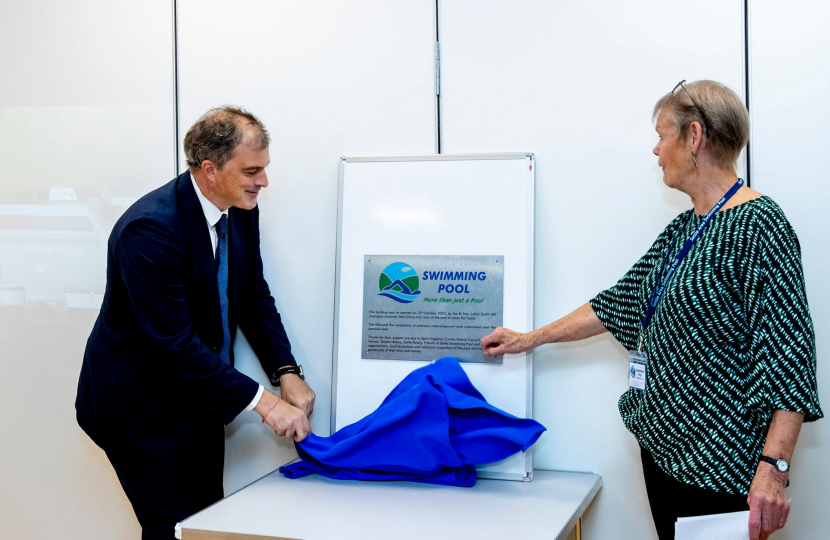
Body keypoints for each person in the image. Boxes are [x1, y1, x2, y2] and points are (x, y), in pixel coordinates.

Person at [481, 80, 822, 540]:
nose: (656, 150)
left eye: (663, 135)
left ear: (694, 137)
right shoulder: (684, 228)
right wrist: (529, 338)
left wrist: (773, 471)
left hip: (721, 466)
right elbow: (617, 303)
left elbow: (789, 356)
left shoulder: (761, 225)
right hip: (665, 452)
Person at [75, 106, 316, 540]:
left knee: (204, 526)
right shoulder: (149, 229)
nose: (264, 182)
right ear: (210, 169)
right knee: (175, 530)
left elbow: (251, 296)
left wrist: (287, 372)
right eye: (252, 170)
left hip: (199, 400)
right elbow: (174, 345)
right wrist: (267, 403)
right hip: (139, 411)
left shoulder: (239, 206)